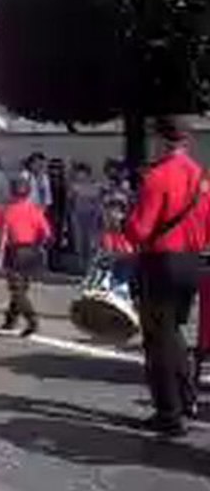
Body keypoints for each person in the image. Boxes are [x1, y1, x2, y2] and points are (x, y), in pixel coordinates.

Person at [125, 116, 206, 437]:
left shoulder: (157, 176)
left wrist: (122, 221)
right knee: (174, 332)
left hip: (161, 262)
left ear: (161, 139)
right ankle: (187, 399)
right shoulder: (202, 177)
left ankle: (168, 413)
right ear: (186, 141)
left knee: (158, 339)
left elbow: (140, 230)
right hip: (192, 262)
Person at [0, 176, 52, 337]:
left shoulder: (8, 210)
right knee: (22, 288)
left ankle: (32, 320)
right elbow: (46, 234)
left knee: (17, 289)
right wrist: (39, 246)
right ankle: (10, 320)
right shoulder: (35, 210)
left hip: (15, 250)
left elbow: (3, 235)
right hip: (31, 250)